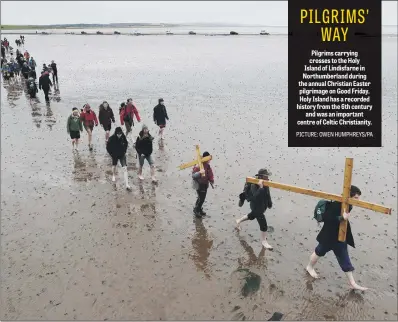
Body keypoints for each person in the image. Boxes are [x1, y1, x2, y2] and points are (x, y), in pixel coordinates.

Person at [305, 185, 367, 291]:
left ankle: (353, 283)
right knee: (319, 251)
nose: (358, 200)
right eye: (356, 198)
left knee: (344, 259)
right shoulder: (336, 204)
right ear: (349, 196)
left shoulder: (349, 206)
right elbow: (327, 218)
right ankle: (309, 267)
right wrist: (341, 218)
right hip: (328, 236)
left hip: (340, 237)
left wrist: (343, 219)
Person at [235, 168, 273, 249]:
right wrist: (261, 187)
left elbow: (268, 194)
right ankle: (264, 242)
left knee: (251, 216)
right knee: (263, 224)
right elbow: (255, 197)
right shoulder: (253, 184)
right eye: (267, 176)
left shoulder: (266, 183)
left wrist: (269, 203)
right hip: (255, 206)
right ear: (262, 176)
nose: (268, 178)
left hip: (262, 205)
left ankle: (238, 221)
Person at [192, 152, 214, 218]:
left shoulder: (208, 166)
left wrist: (211, 179)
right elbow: (193, 175)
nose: (209, 160)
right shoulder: (199, 165)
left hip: (205, 184)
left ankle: (199, 209)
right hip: (199, 185)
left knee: (200, 198)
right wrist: (199, 173)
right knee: (201, 199)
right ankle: (196, 210)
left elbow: (210, 173)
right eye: (208, 159)